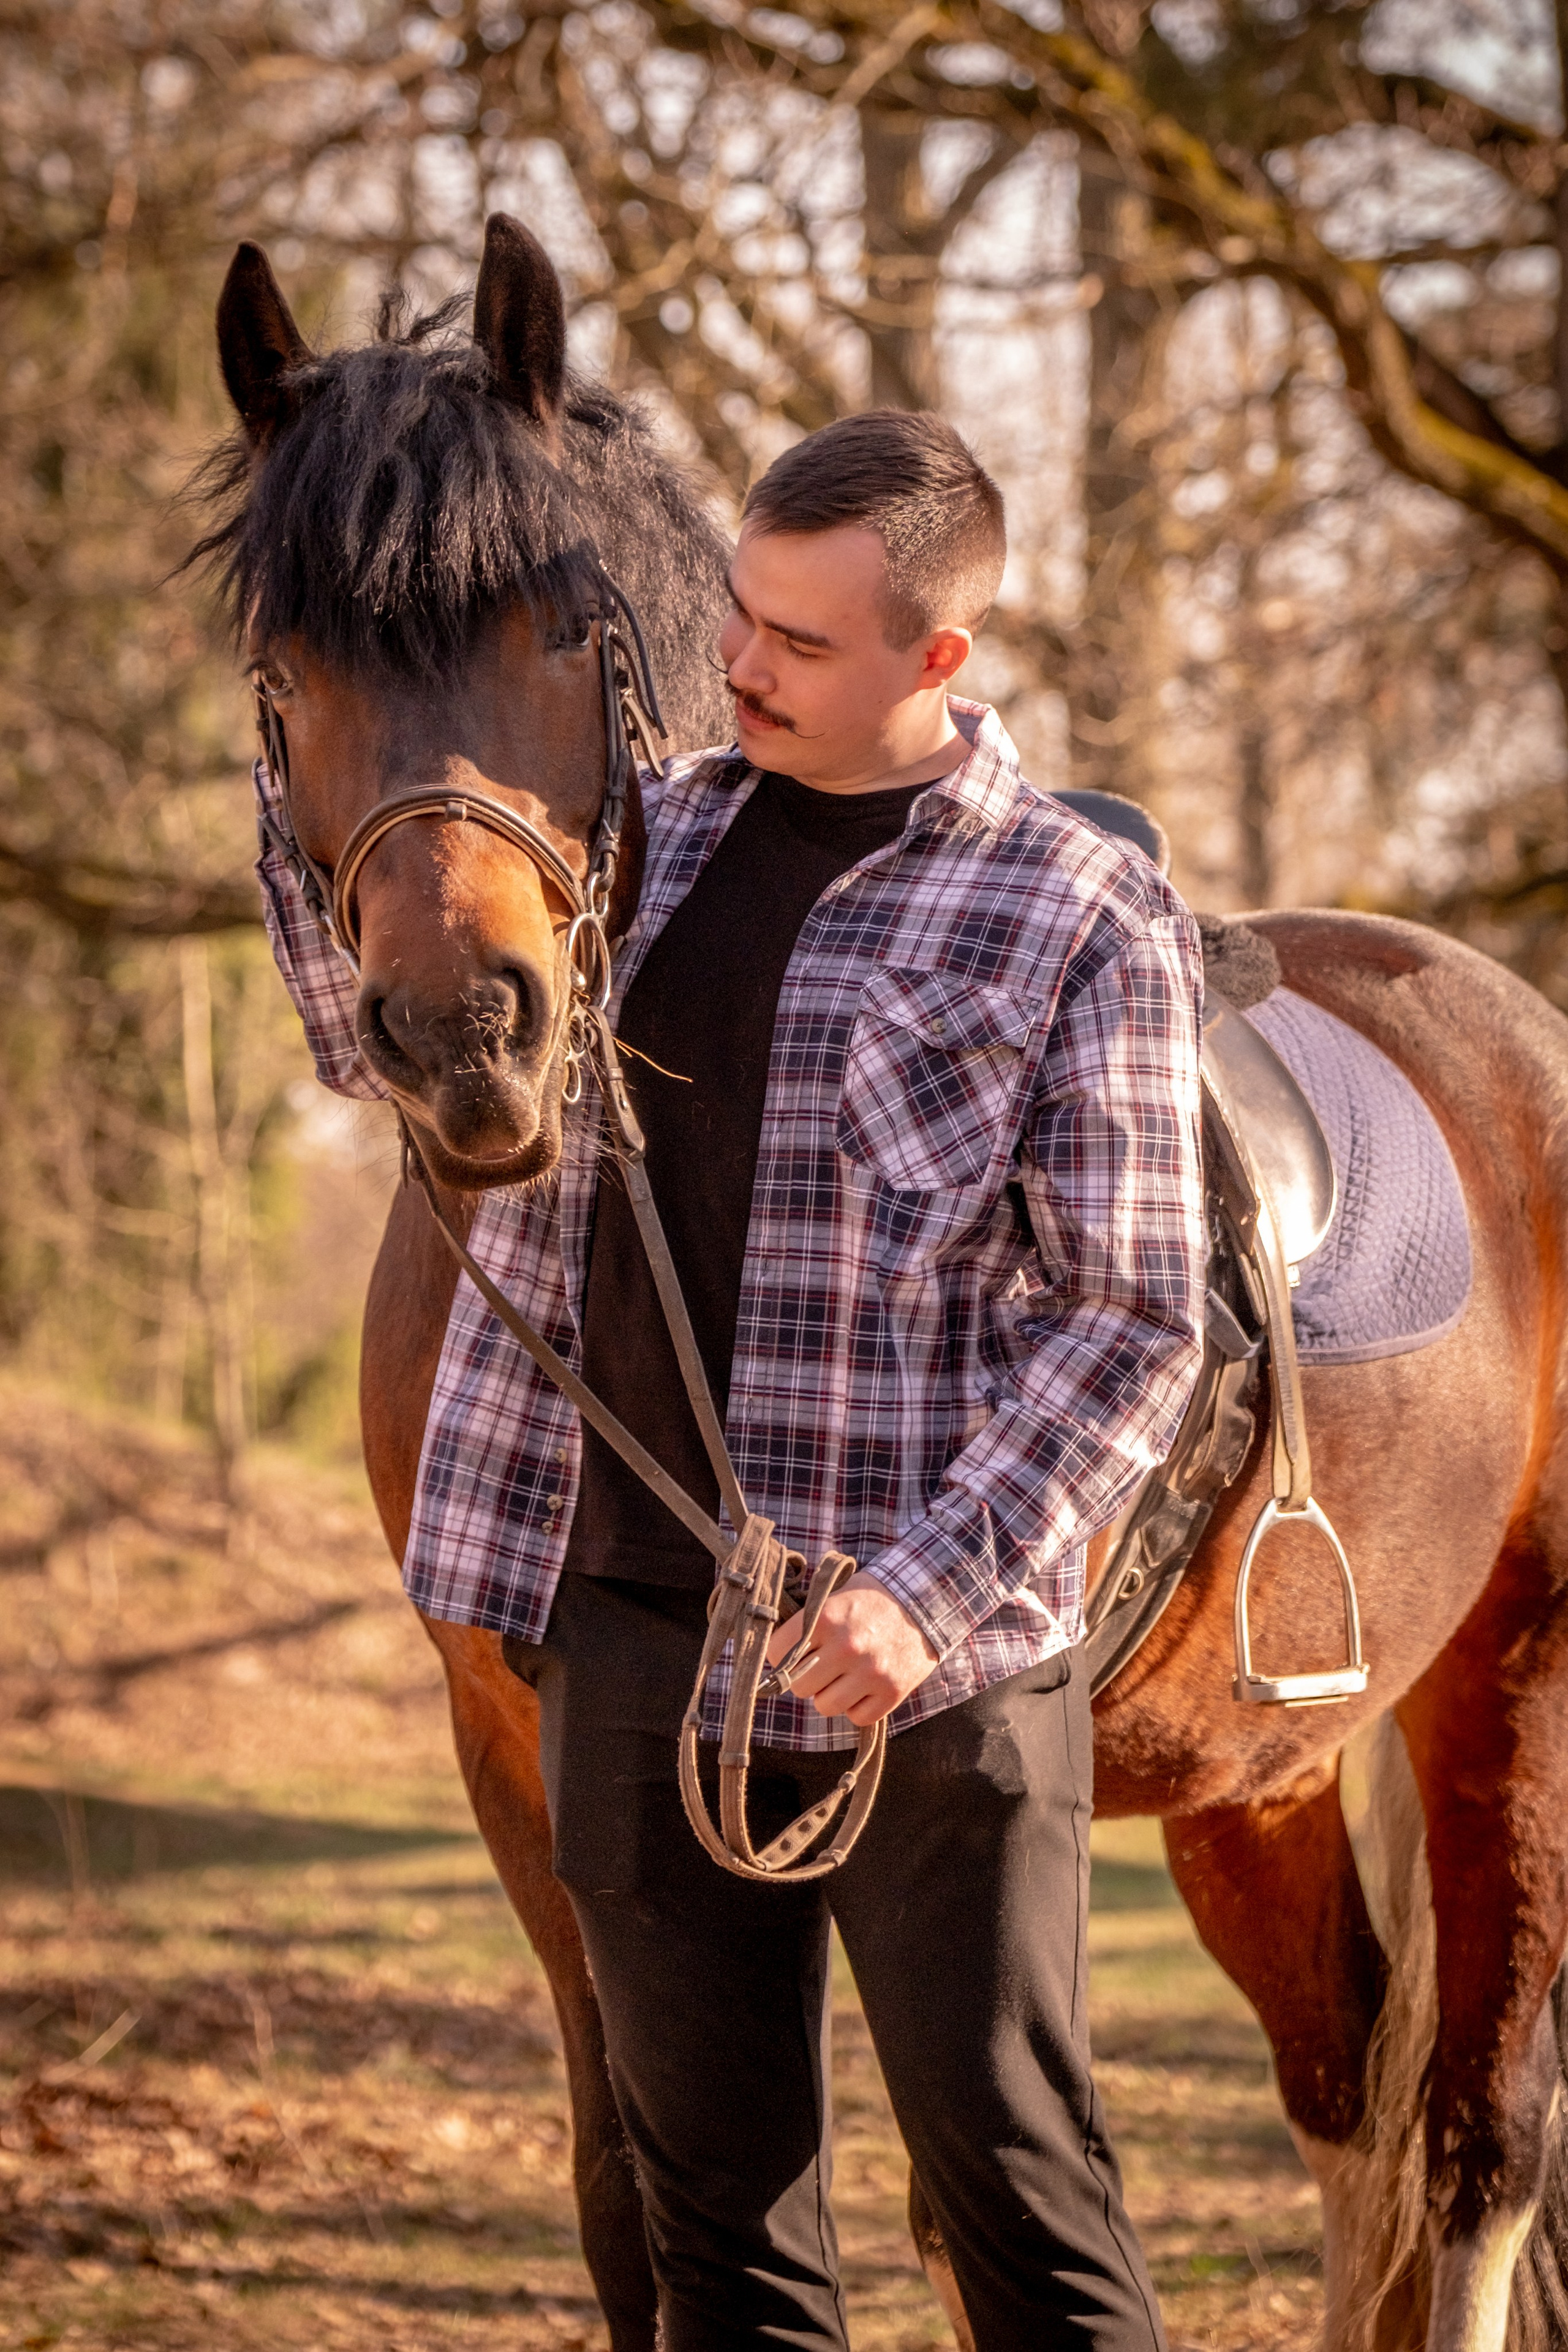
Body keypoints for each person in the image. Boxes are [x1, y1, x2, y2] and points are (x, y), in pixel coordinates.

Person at [261, 409, 1207, 2351]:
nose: (737, 667)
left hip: (924, 1685)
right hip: (628, 1645)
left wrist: (917, 1601)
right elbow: (384, 1000)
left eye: (796, 640)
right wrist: (314, 670)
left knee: (1021, 2208)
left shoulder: (1071, 912)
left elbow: (1132, 1325)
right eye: (736, 619)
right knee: (717, 2237)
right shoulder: (634, 846)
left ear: (938, 660)